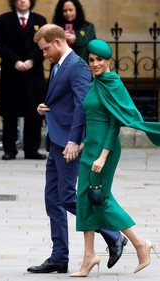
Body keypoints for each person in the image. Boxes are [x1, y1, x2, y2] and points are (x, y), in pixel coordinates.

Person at [70, 39, 160, 277]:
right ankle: (89, 256)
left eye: (99, 59)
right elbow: (93, 118)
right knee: (84, 200)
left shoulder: (112, 83)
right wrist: (82, 144)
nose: (95, 64)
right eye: (91, 60)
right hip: (90, 148)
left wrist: (102, 156)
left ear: (109, 60)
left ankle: (139, 242)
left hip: (105, 150)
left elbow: (115, 124)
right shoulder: (97, 83)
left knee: (101, 198)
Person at [27, 24, 127, 274]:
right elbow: (65, 101)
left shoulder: (78, 67)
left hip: (69, 144)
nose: (44, 54)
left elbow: (84, 106)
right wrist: (45, 107)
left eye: (46, 48)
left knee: (68, 196)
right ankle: (59, 256)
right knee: (53, 199)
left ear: (59, 42)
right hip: (56, 140)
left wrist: (74, 140)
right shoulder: (60, 64)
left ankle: (114, 235)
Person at [0, 0, 47, 160]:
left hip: (34, 72)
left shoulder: (40, 20)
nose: (23, 1)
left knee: (34, 112)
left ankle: (32, 149)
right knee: (10, 113)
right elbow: (1, 45)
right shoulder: (3, 20)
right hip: (12, 72)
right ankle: (9, 149)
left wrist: (31, 60)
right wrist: (15, 61)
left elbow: (44, 45)